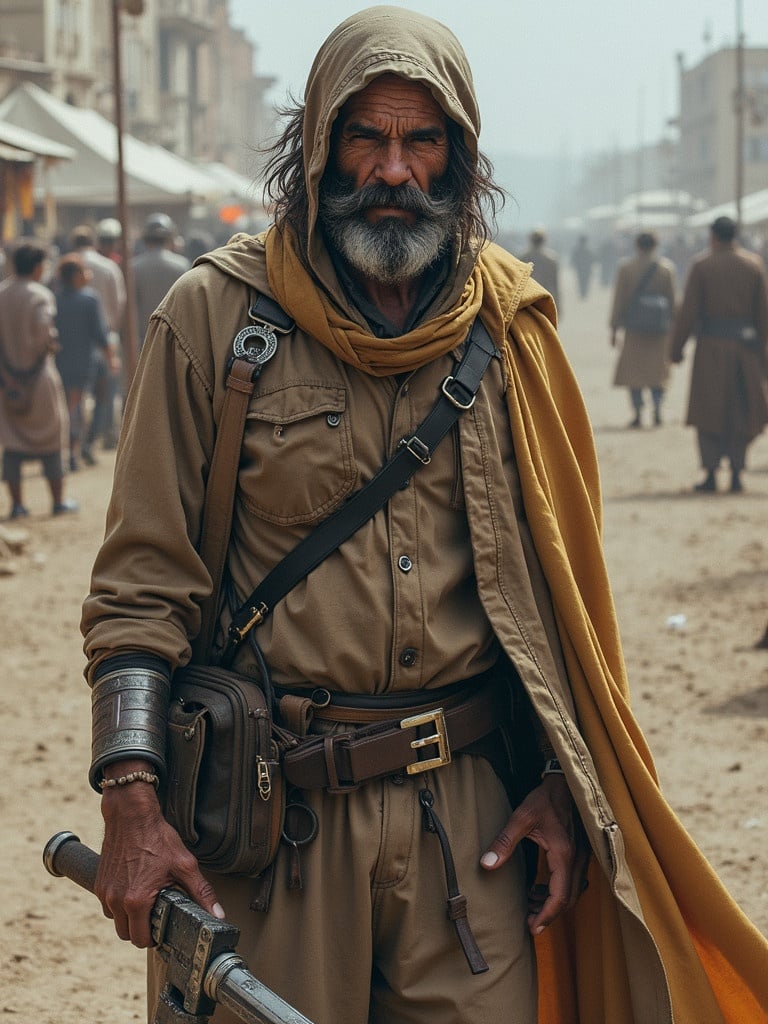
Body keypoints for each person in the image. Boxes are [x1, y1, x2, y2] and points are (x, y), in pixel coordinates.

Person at [80, 8, 768, 1024]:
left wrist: (558, 785)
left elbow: (553, 603)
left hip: (471, 836)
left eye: (422, 140)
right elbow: (141, 587)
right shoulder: (214, 321)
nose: (393, 171)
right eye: (366, 137)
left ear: (460, 155)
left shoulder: (511, 326)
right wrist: (130, 799)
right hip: (273, 829)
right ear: (318, 148)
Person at [670, 215, 768, 493]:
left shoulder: (702, 266)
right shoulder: (753, 265)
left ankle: (711, 473)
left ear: (713, 237)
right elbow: (763, 315)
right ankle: (737, 473)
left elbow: (687, 312)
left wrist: (676, 349)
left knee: (708, 412)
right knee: (741, 412)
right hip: (745, 352)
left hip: (710, 351)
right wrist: (763, 355)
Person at [0, 241, 77, 518]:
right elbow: (46, 332)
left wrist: (7, 377)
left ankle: (17, 504)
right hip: (40, 379)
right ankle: (58, 501)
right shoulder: (41, 295)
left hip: (8, 381)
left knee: (12, 442)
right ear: (36, 267)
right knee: (52, 439)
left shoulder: (2, 293)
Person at [69, 225, 126, 461]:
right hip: (106, 339)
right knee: (105, 395)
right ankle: (91, 442)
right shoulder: (109, 267)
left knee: (75, 396)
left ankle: (75, 441)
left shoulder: (65, 266)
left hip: (73, 342)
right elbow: (119, 303)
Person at [609, 231, 677, 428]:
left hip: (634, 329)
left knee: (634, 372)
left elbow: (618, 300)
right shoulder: (666, 269)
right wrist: (674, 330)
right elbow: (673, 302)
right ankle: (657, 408)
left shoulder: (626, 268)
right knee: (658, 371)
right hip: (659, 330)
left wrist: (614, 329)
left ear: (637, 245)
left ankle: (638, 412)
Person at [53, 253, 112, 471]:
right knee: (77, 407)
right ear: (76, 275)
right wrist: (111, 357)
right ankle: (73, 452)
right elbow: (99, 333)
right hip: (83, 362)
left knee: (66, 406)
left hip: (60, 361)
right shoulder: (89, 299)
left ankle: (64, 451)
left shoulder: (55, 298)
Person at [130, 213, 190, 352]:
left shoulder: (134, 267)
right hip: (176, 337)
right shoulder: (181, 265)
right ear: (169, 238)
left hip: (143, 337)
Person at [520, 227, 561, 313]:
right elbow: (555, 282)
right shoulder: (551, 258)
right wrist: (558, 303)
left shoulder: (523, 257)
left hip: (528, 298)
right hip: (546, 297)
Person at [570, 233, 595, 299]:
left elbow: (573, 259)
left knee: (580, 281)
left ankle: (582, 293)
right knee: (585, 281)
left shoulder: (577, 249)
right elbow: (593, 259)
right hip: (586, 269)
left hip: (580, 269)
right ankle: (584, 293)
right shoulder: (589, 250)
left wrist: (573, 264)